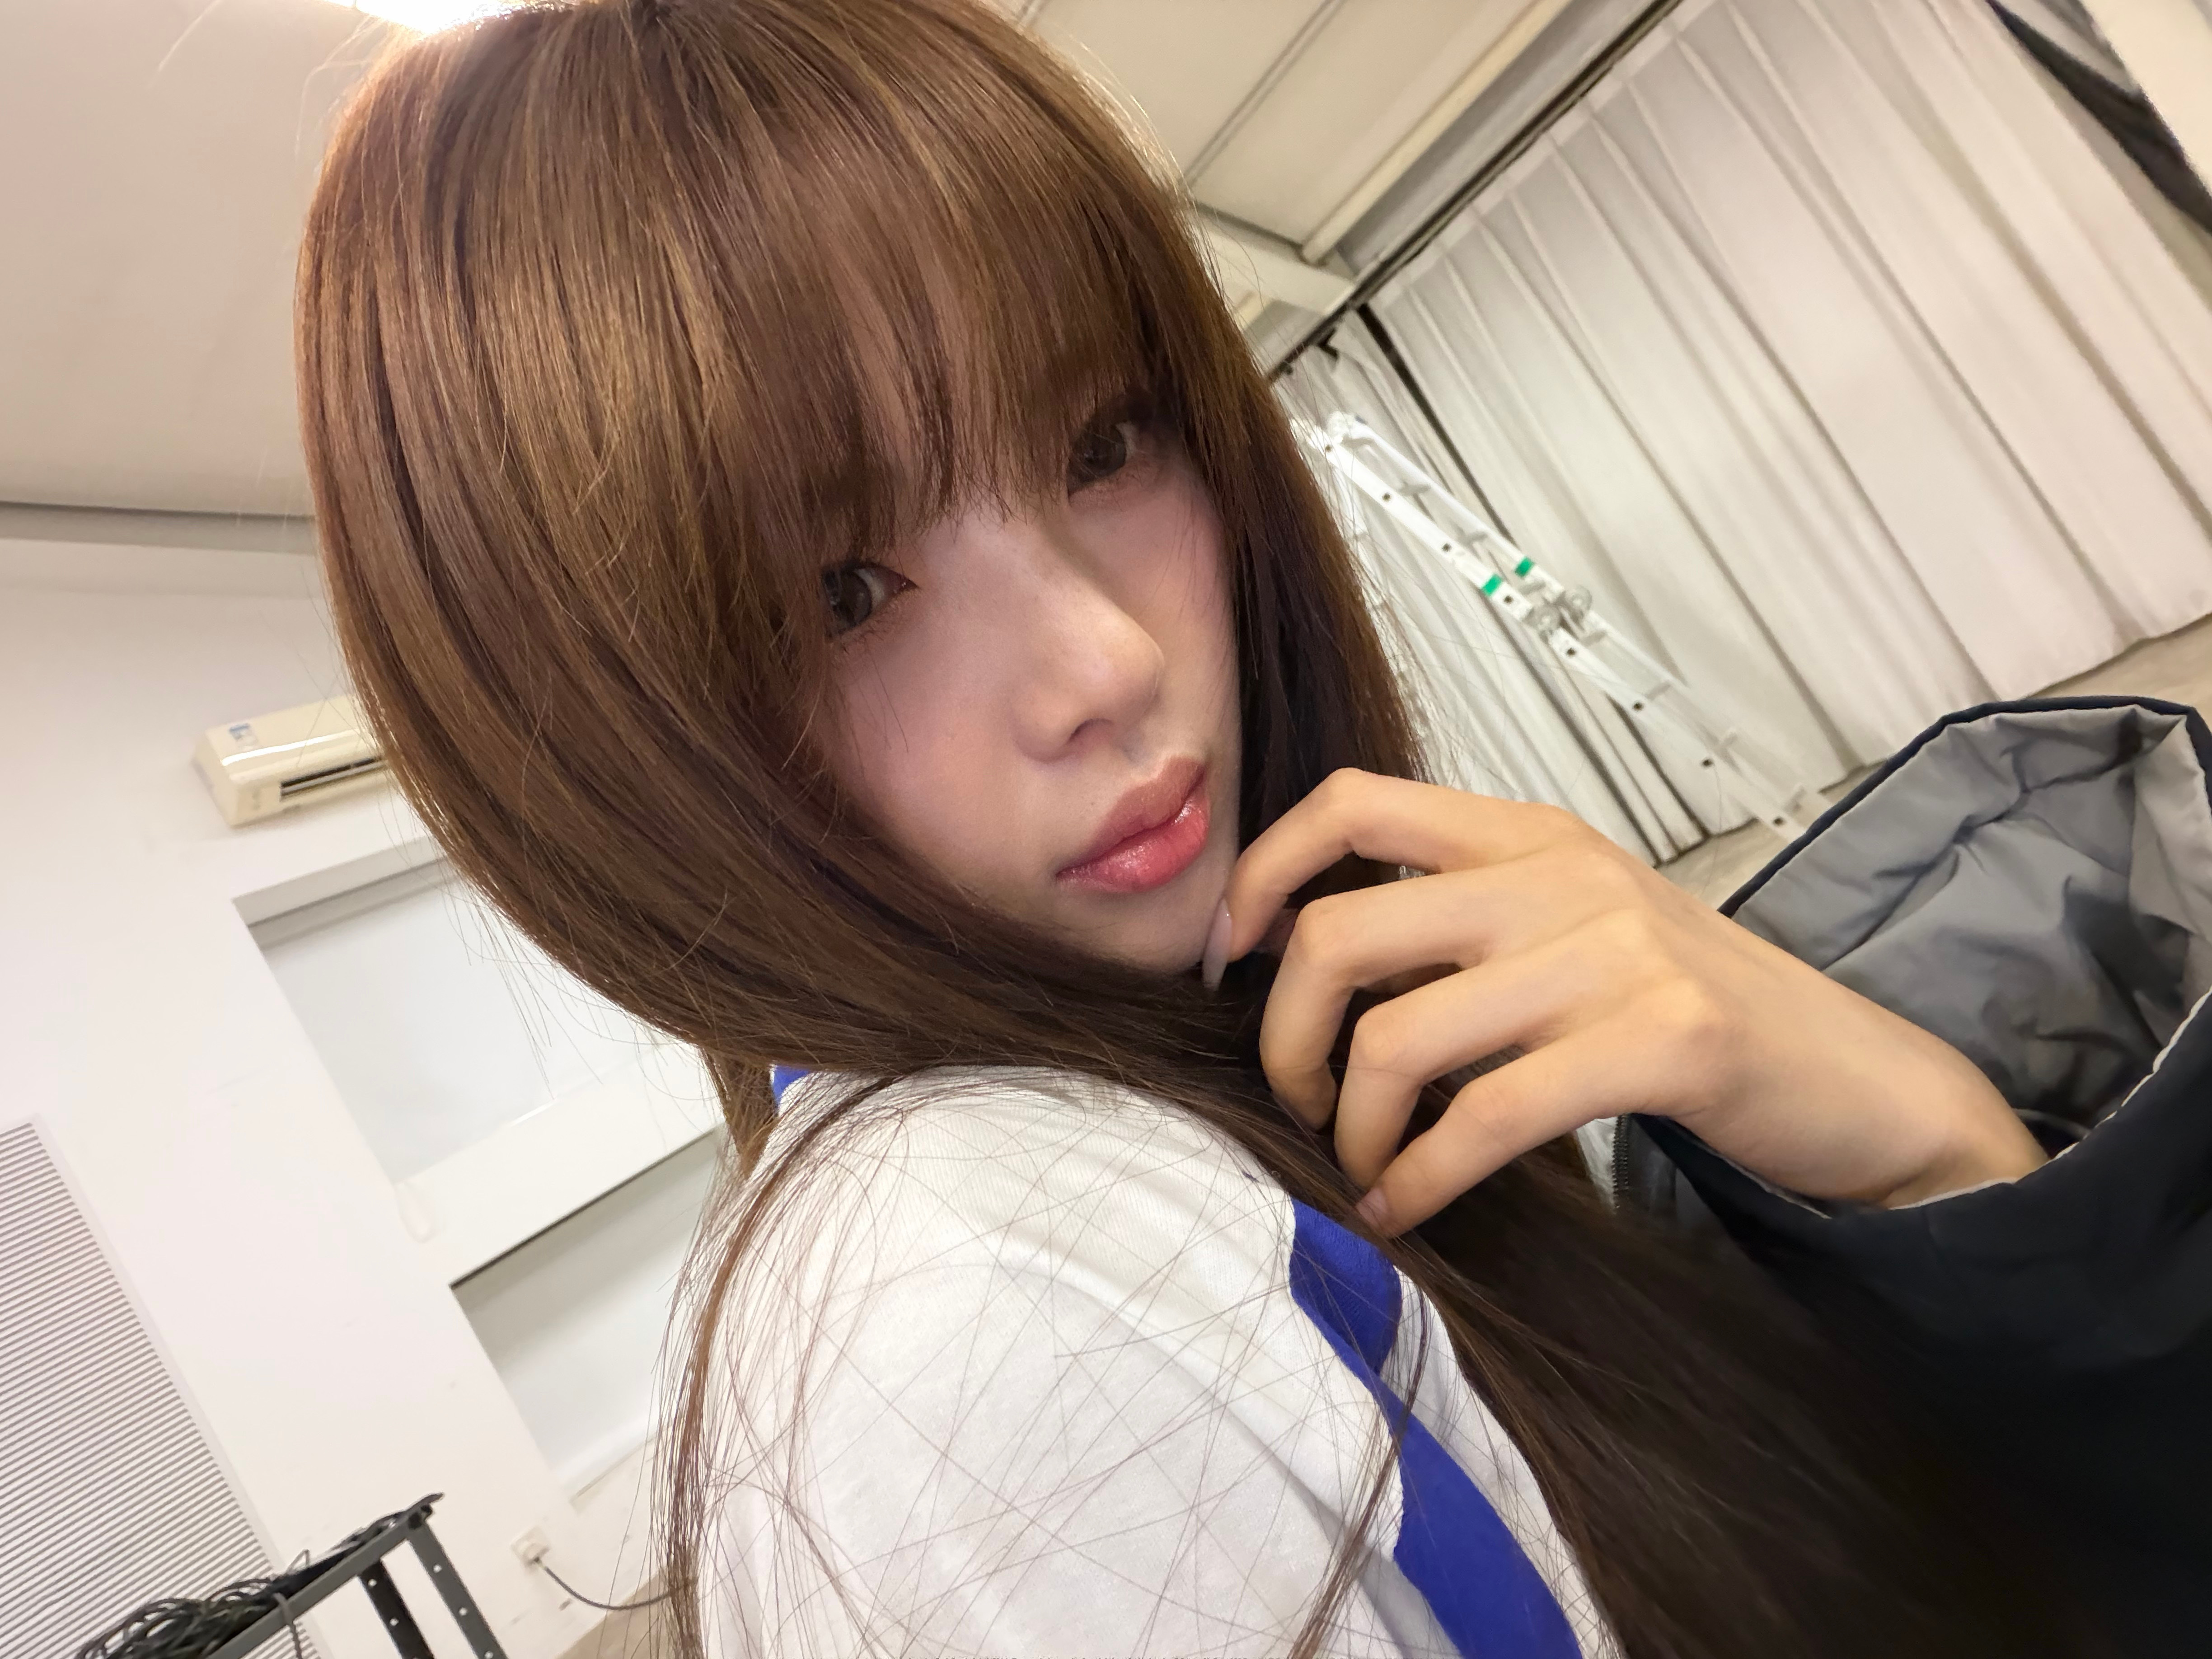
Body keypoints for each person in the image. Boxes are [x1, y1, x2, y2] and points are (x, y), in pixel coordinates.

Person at [292, 1, 2208, 1654]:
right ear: (613, 745)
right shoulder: (969, 1317)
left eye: (1103, 444)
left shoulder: (1253, 1059)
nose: (1107, 663)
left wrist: (1920, 1142)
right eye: (843, 593)